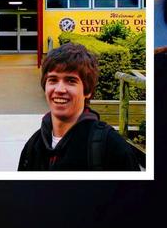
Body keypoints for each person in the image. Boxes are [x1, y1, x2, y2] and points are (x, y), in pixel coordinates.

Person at [18, 43, 139, 171]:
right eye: (53, 80)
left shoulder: (112, 148)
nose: (59, 89)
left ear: (87, 91)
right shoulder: (32, 147)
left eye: (70, 81)